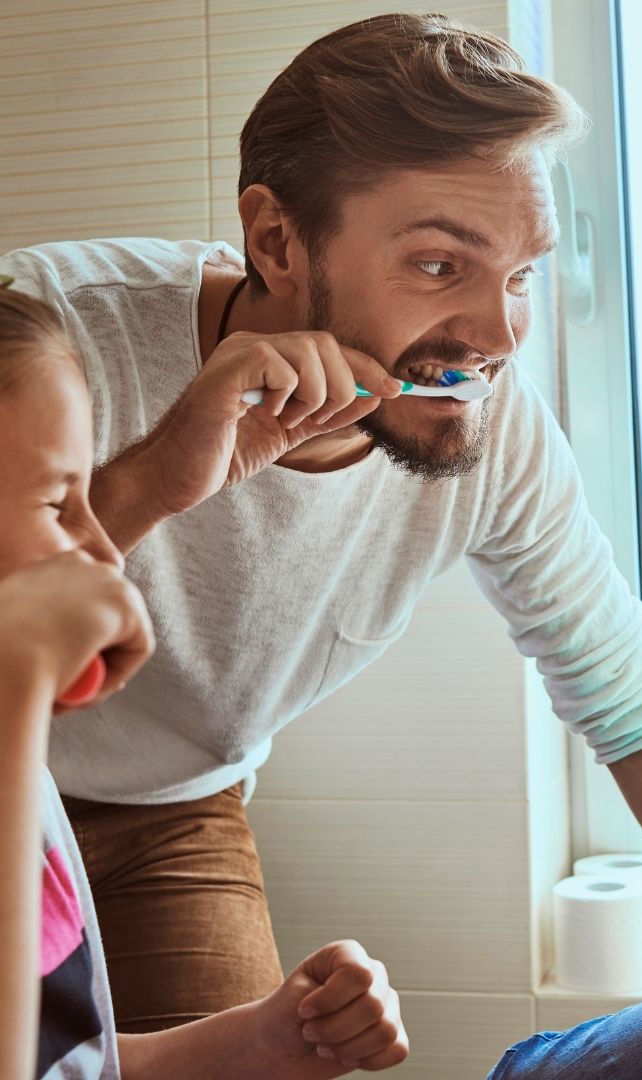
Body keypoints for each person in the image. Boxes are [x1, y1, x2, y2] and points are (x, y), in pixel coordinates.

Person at [0, 10, 642, 1068]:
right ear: (276, 243)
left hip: (177, 807)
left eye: (520, 273)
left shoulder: (499, 434)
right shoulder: (50, 327)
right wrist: (152, 481)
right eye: (442, 265)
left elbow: (624, 695)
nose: (495, 334)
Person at [0, 283, 407, 1077]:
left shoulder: (28, 790)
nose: (103, 546)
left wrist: (266, 1035)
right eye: (58, 501)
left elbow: (75, 1061)